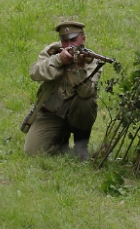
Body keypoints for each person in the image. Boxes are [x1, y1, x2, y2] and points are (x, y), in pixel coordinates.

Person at [21, 20, 101, 158]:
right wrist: (58, 60)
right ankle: (61, 143)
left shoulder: (91, 61)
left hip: (76, 113)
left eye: (73, 40)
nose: (69, 46)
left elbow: (86, 92)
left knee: (85, 102)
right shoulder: (53, 51)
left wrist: (78, 69)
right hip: (51, 112)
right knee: (32, 151)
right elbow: (35, 73)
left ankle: (81, 148)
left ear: (83, 39)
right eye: (65, 41)